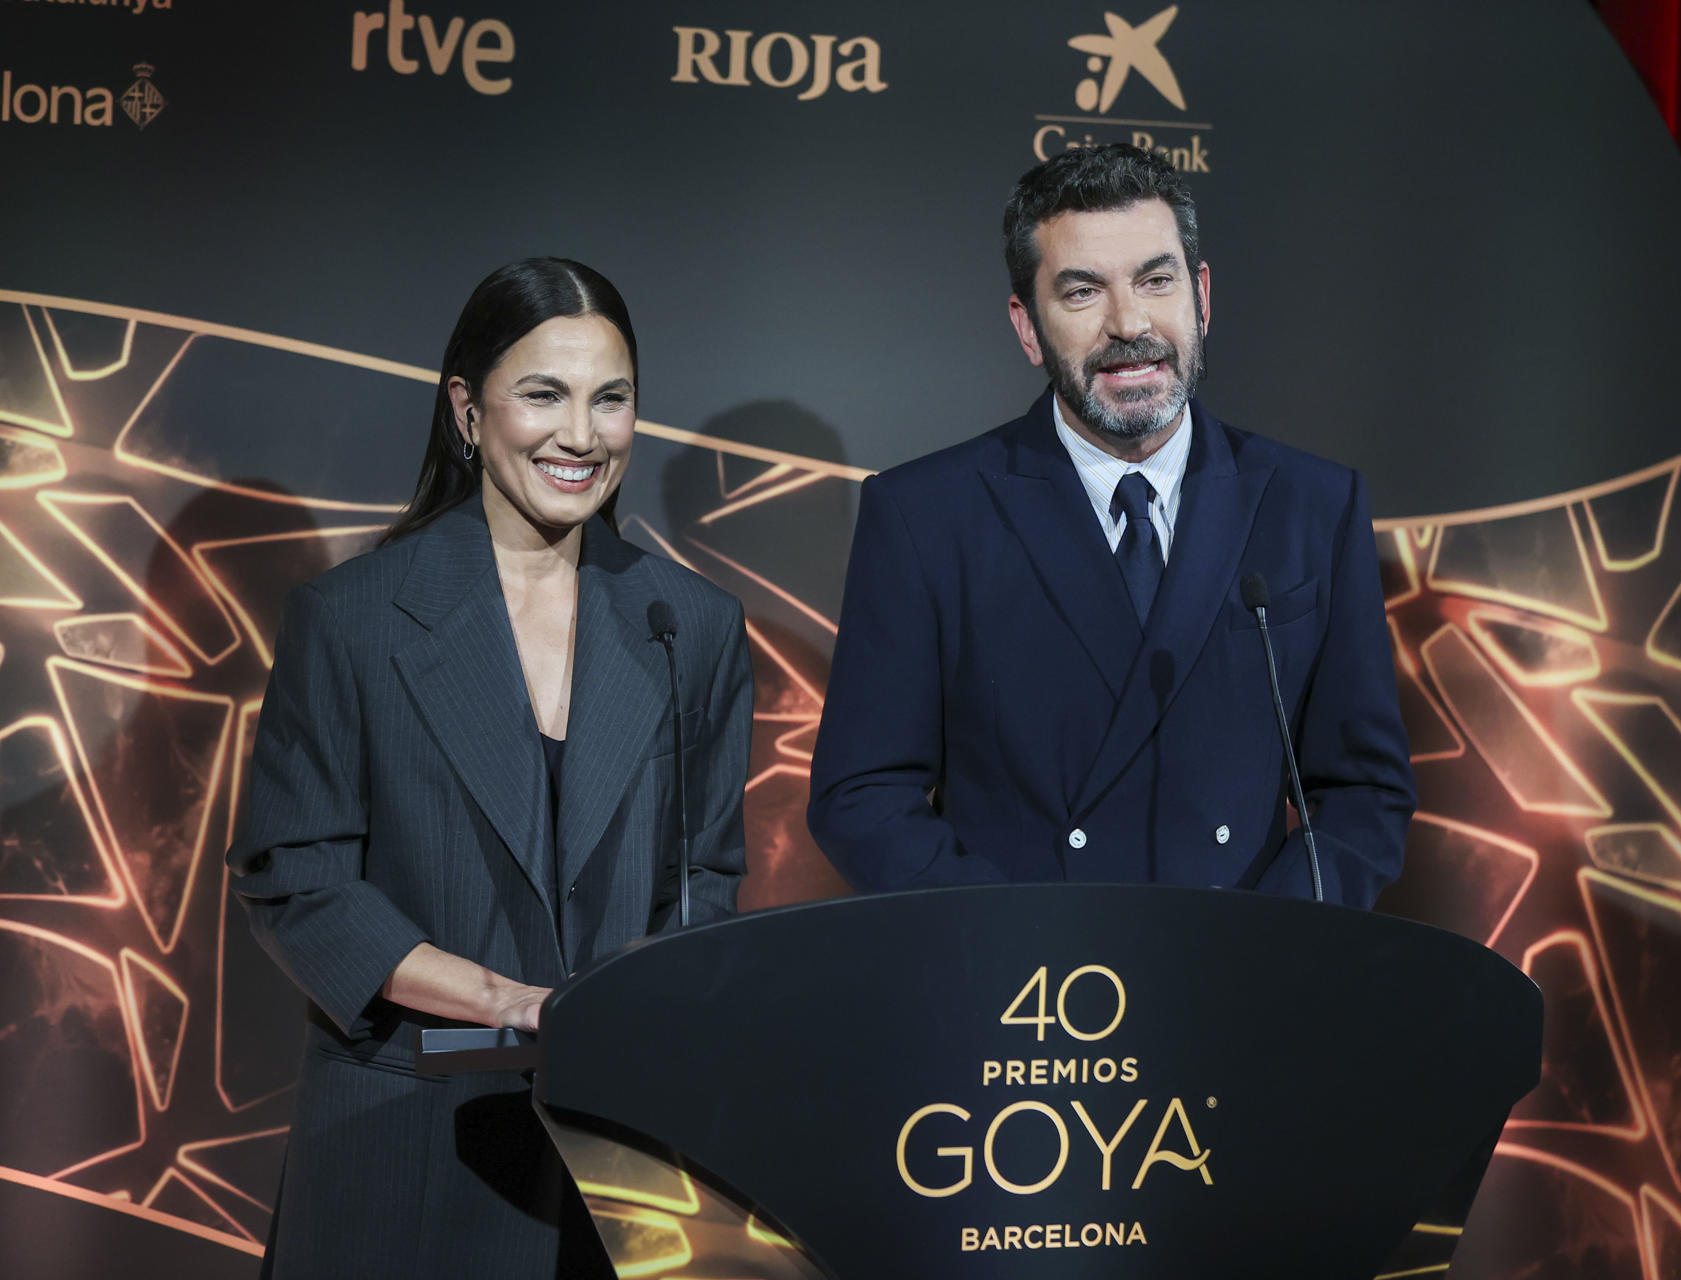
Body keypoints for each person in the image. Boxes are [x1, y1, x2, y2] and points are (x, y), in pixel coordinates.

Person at [227, 258, 752, 1278]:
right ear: (468, 409)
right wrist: (504, 1002)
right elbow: (299, 883)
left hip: (620, 1160)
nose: (581, 435)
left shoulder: (690, 623)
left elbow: (707, 878)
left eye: (611, 399)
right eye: (543, 394)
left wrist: (639, 1017)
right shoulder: (354, 619)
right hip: (404, 1137)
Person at [807, 145, 1414, 904]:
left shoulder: (1314, 506)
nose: (1130, 324)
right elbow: (862, 796)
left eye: (1156, 281)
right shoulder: (927, 515)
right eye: (1083, 292)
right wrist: (1017, 943)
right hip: (1023, 992)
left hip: (1241, 984)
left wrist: (1273, 943)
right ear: (1028, 327)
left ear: (1201, 297)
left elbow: (1364, 793)